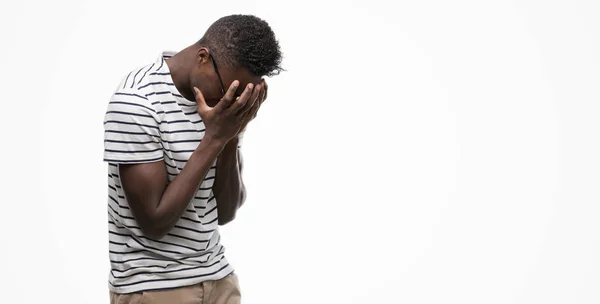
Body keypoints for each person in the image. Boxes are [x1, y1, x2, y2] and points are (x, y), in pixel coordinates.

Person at [102, 14, 283, 304]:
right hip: (156, 288)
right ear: (202, 58)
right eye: (231, 91)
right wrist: (214, 138)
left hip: (219, 280)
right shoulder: (137, 102)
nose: (233, 102)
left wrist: (231, 135)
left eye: (244, 95)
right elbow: (154, 222)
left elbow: (225, 213)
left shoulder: (221, 112)